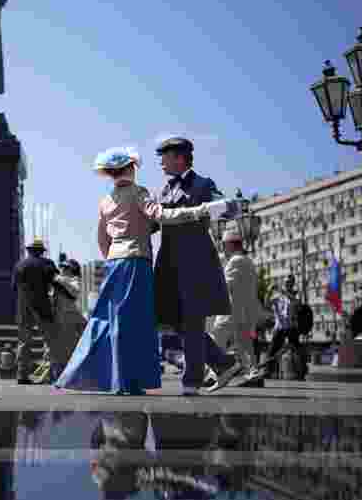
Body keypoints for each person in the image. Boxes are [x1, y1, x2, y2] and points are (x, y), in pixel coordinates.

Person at [55, 147, 235, 396]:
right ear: (130, 169)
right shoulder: (141, 192)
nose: (159, 164)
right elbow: (160, 215)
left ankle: (96, 375)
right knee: (136, 323)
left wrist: (114, 255)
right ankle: (129, 380)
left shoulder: (105, 201)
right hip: (137, 262)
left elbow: (102, 239)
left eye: (164, 158)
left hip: (114, 264)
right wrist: (205, 210)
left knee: (108, 320)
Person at [151, 137, 244, 395]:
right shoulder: (161, 192)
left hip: (195, 262)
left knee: (192, 321)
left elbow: (223, 207)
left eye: (165, 156)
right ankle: (224, 363)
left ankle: (191, 381)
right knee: (177, 323)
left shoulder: (203, 184)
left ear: (180, 158)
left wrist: (226, 207)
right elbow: (151, 224)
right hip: (169, 264)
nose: (160, 161)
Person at [204, 228, 261, 392]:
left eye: (224, 245)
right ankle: (253, 372)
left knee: (216, 337)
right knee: (244, 344)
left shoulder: (235, 261)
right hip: (245, 310)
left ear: (229, 245)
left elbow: (225, 285)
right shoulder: (247, 260)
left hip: (231, 309)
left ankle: (215, 373)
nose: (223, 248)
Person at [13, 238, 59, 385]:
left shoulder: (19, 265)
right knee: (50, 341)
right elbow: (56, 281)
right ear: (41, 251)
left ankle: (22, 374)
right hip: (42, 307)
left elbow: (14, 287)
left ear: (29, 251)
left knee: (24, 343)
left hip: (23, 308)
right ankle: (52, 373)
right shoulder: (47, 264)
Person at [47, 259, 87, 382]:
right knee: (56, 351)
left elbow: (74, 292)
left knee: (69, 350)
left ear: (72, 270)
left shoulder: (73, 281)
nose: (63, 269)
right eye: (62, 267)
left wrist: (59, 279)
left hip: (69, 319)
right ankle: (56, 376)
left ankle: (68, 377)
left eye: (66, 267)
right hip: (57, 317)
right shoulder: (57, 282)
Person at [257, 274, 303, 376]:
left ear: (293, 283)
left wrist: (285, 293)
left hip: (291, 326)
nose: (288, 284)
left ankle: (301, 371)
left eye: (290, 282)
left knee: (298, 349)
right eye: (286, 282)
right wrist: (268, 292)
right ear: (284, 283)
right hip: (280, 327)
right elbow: (267, 305)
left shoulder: (296, 294)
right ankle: (267, 371)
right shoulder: (277, 295)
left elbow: (297, 304)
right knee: (272, 350)